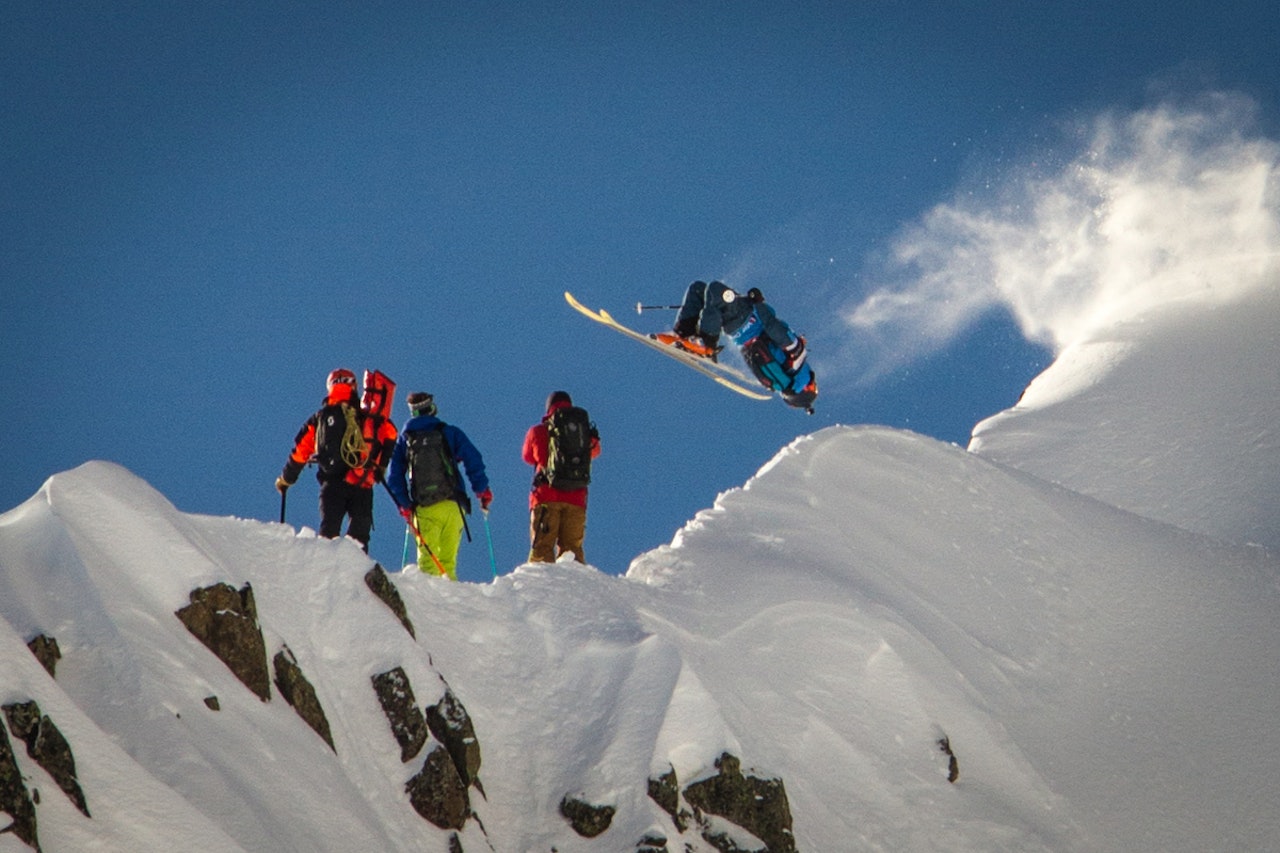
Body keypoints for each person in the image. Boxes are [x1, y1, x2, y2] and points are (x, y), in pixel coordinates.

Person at [276, 368, 396, 550]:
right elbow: (390, 433)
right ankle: (359, 573)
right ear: (354, 385)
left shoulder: (319, 418)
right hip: (361, 482)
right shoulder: (365, 415)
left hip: (332, 483)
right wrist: (381, 465)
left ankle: (326, 570)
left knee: (329, 533)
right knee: (360, 537)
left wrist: (286, 479)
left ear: (330, 387)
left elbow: (300, 452)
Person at [663, 280, 818, 412]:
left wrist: (758, 303)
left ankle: (705, 345)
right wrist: (756, 301)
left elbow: (772, 327)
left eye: (814, 386)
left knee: (714, 289)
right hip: (738, 328)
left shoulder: (797, 353)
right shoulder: (778, 381)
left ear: (808, 388)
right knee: (700, 290)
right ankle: (686, 339)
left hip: (745, 316)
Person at [385, 392, 492, 580]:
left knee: (428, 565)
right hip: (453, 505)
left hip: (424, 508)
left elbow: (394, 477)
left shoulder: (405, 440)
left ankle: (431, 606)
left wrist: (405, 505)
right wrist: (481, 490)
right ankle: (451, 603)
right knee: (448, 562)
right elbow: (472, 458)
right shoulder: (449, 432)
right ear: (431, 408)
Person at [522, 391, 601, 563]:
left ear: (549, 408)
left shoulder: (538, 431)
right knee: (573, 552)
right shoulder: (582, 430)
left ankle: (539, 589)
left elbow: (527, 456)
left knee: (542, 549)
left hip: (546, 497)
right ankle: (576, 588)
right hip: (576, 498)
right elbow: (595, 451)